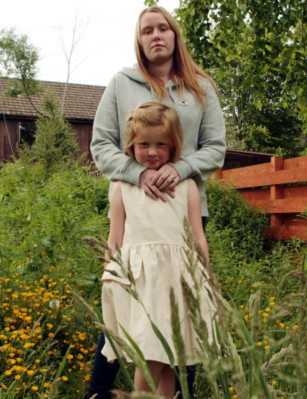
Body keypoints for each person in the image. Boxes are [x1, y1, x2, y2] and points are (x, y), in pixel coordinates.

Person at [88, 5, 226, 398]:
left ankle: (182, 392)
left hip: (183, 215)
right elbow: (101, 145)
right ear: (139, 40)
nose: (156, 35)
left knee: (182, 315)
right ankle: (99, 391)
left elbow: (215, 149)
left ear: (175, 35)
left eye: (163, 27)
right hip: (138, 221)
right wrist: (139, 173)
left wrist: (179, 169)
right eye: (147, 30)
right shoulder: (121, 83)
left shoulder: (200, 86)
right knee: (133, 315)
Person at [100, 102, 216, 397]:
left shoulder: (187, 185)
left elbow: (197, 236)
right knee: (148, 354)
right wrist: (111, 275)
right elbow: (115, 236)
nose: (152, 151)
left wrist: (207, 273)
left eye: (160, 144)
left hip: (177, 280)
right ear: (131, 145)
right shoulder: (122, 187)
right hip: (140, 281)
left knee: (169, 359)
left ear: (173, 145)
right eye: (144, 144)